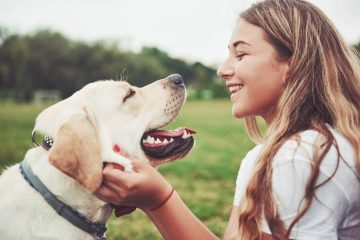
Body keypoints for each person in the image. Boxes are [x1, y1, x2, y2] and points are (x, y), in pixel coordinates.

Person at [95, 0, 360, 239]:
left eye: (241, 54)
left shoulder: (299, 156)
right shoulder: (262, 159)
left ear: (295, 63)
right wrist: (155, 200)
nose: (223, 69)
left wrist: (159, 199)